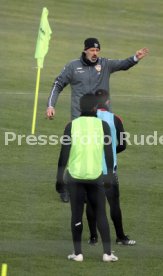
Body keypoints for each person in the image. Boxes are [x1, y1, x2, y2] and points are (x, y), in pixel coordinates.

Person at [56, 94, 118, 262]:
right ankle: (107, 253)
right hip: (95, 176)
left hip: (75, 177)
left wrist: (59, 179)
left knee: (76, 214)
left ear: (79, 108)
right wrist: (109, 175)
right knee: (101, 214)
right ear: (95, 108)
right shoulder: (103, 125)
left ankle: (77, 254)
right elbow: (108, 152)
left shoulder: (72, 126)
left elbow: (64, 154)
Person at [46, 37, 149, 120]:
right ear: (85, 50)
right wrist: (51, 106)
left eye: (97, 50)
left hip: (102, 116)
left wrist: (135, 58)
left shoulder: (105, 64)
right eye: (92, 50)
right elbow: (57, 85)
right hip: (79, 116)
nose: (95, 53)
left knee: (104, 145)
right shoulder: (72, 66)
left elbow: (123, 64)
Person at [86, 89, 136, 246]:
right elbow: (122, 145)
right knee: (114, 204)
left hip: (90, 169)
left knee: (91, 203)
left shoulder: (87, 120)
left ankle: (93, 237)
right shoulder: (115, 119)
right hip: (109, 170)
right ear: (108, 102)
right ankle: (120, 237)